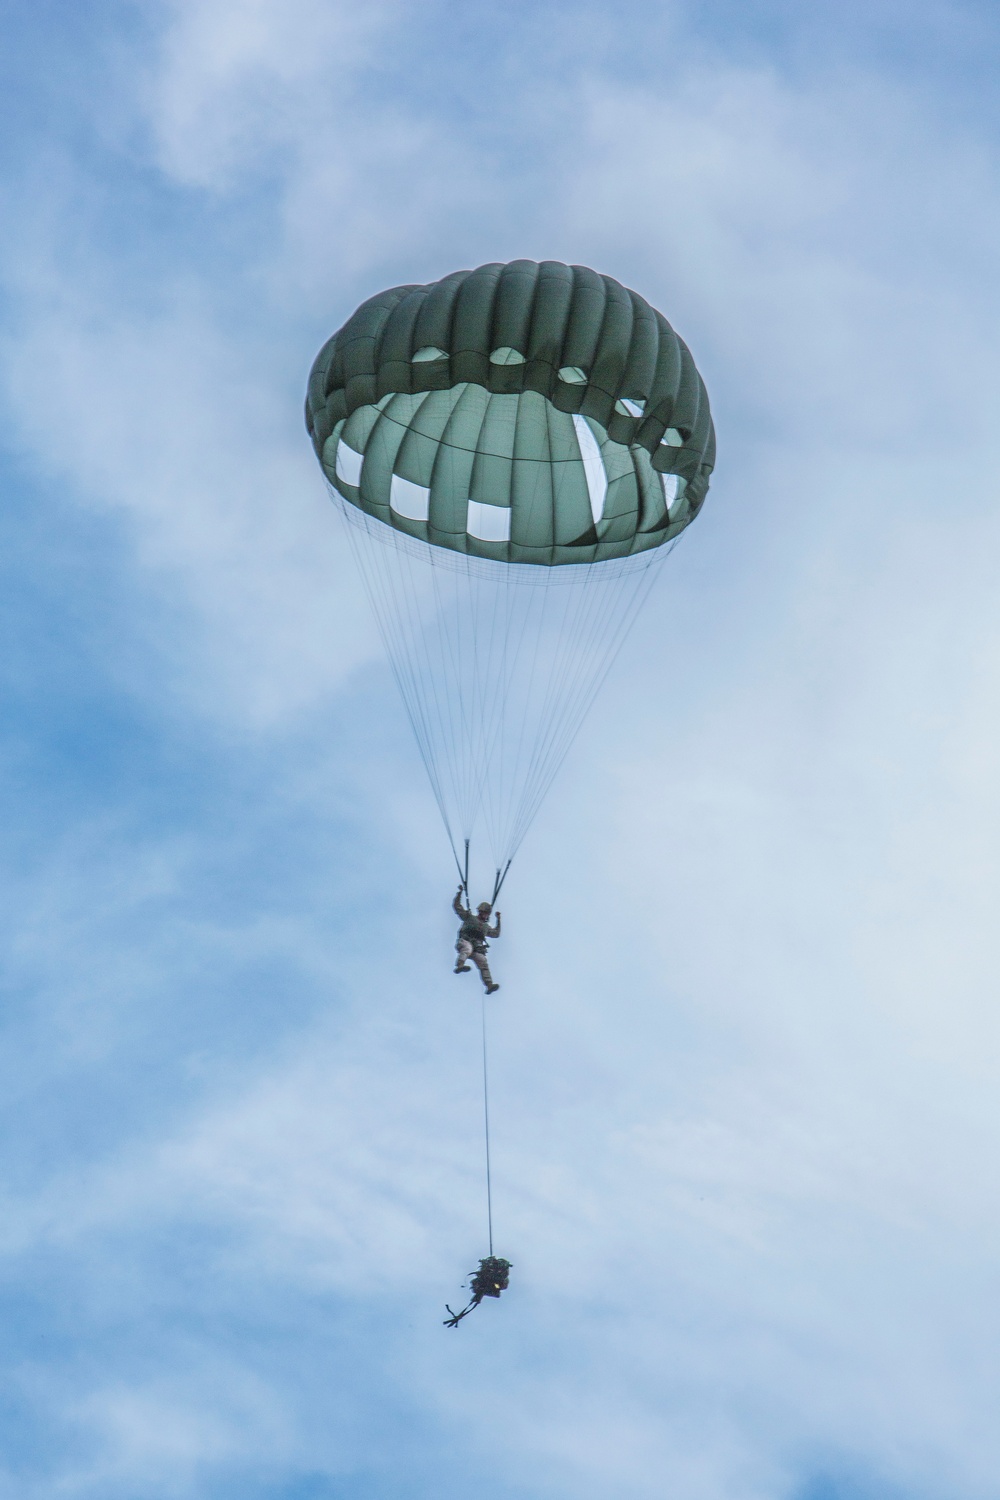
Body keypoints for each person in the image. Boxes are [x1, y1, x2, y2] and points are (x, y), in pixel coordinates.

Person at [452, 887, 501, 993]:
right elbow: (457, 907)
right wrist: (459, 893)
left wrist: (499, 920)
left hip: (477, 948)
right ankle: (460, 965)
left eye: (487, 914)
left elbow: (496, 934)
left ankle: (489, 985)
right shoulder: (470, 917)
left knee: (483, 961)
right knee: (467, 949)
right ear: (480, 911)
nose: (485, 916)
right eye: (484, 913)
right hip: (464, 942)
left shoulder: (486, 927)